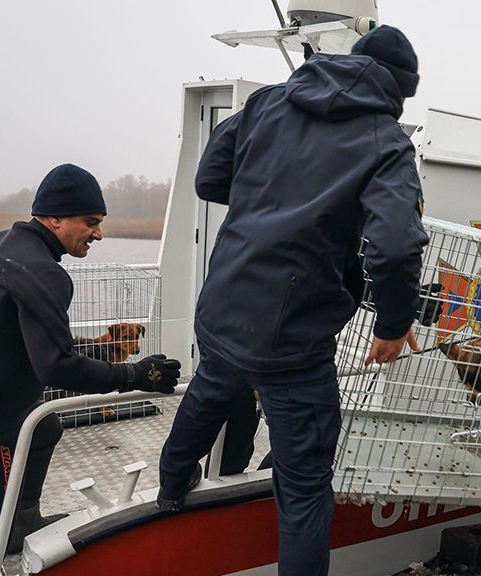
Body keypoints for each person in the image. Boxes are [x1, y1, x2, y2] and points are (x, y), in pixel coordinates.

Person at [156, 25, 429, 576]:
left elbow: (210, 178)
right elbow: (396, 248)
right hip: (292, 339)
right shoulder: (386, 139)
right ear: (399, 91)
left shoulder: (268, 102)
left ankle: (170, 490)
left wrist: (271, 200)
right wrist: (394, 325)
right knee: (304, 488)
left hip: (225, 301)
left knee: (211, 387)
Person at [0, 163, 181, 575]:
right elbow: (56, 366)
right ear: (54, 218)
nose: (99, 234)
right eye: (90, 222)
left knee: (45, 427)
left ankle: (22, 521)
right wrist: (134, 375)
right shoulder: (45, 274)